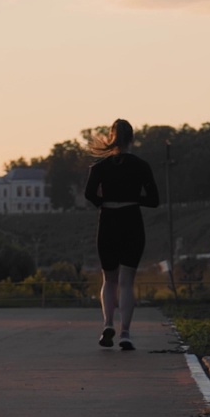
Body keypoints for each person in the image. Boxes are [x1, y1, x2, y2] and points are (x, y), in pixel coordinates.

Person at [83, 119, 159, 351]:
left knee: (109, 280)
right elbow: (154, 200)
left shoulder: (100, 167)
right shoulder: (141, 166)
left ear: (110, 137)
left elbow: (89, 194)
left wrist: (104, 202)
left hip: (108, 222)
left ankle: (108, 323)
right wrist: (135, 199)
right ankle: (125, 332)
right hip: (131, 221)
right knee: (126, 283)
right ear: (132, 139)